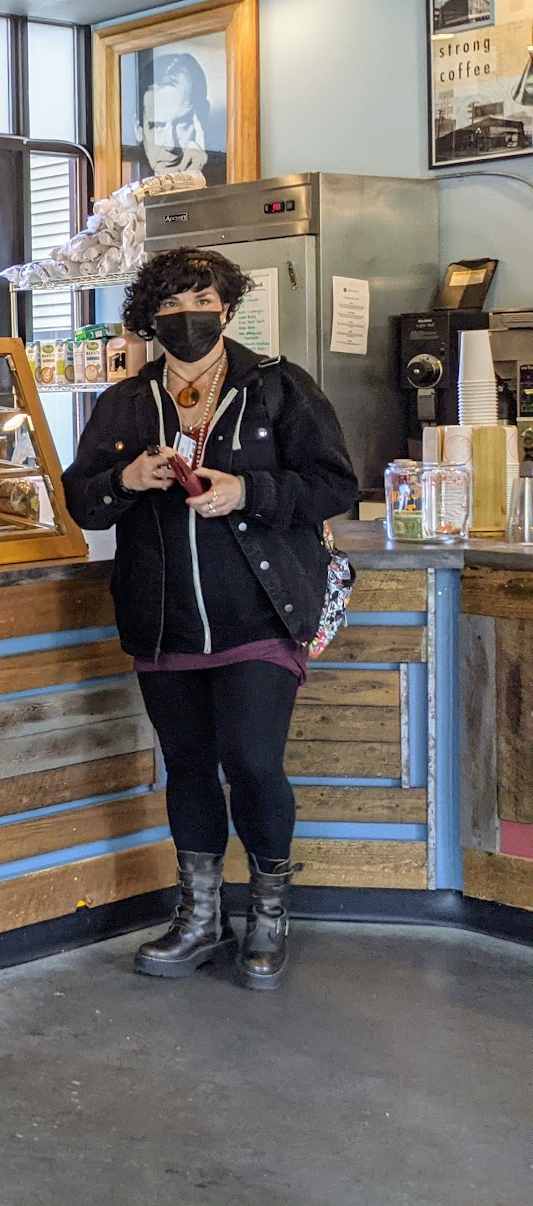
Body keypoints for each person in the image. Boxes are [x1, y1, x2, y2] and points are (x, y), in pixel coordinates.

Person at [61, 247, 354, 990]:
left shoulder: (280, 389)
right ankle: (198, 918)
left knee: (253, 763)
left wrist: (246, 491)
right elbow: (82, 498)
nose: (188, 316)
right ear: (149, 318)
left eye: (203, 300)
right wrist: (125, 478)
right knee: (188, 768)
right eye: (172, 305)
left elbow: (333, 485)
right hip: (163, 622)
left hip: (259, 614)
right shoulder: (125, 404)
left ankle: (269, 916)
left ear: (227, 308)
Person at [132, 50, 225, 183]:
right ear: (138, 129)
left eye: (183, 123)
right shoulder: (125, 196)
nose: (170, 145)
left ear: (202, 117)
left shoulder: (230, 180)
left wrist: (193, 181)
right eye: (158, 126)